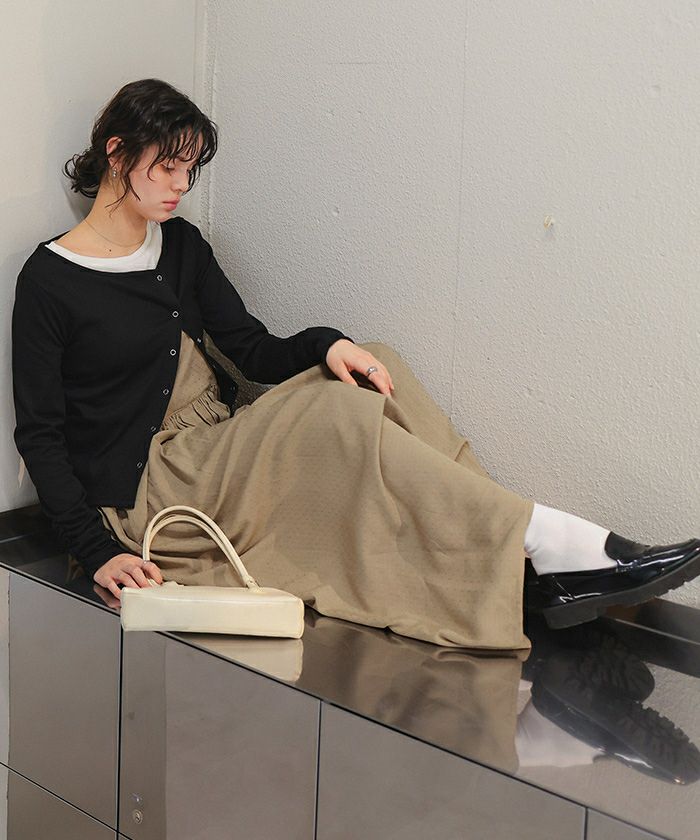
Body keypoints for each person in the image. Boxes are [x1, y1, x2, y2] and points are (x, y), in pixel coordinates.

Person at [11, 78, 700, 650]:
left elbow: (251, 348)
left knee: (374, 365)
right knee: (333, 412)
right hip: (148, 482)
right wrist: (97, 550)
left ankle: (525, 554)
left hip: (215, 444)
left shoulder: (182, 244)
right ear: (116, 152)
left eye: (190, 170)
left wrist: (327, 345)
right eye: (168, 167)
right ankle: (553, 544)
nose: (181, 185)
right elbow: (40, 434)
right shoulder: (50, 280)